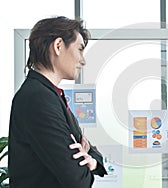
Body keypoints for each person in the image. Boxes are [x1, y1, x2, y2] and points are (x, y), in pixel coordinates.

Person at [8, 16, 107, 188]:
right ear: (58, 45)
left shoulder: (49, 94)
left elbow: (90, 150)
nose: (82, 61)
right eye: (80, 49)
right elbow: (77, 180)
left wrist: (93, 162)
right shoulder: (38, 98)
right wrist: (89, 166)